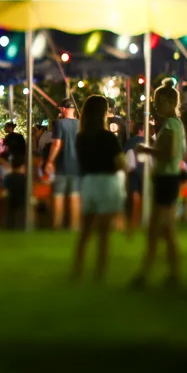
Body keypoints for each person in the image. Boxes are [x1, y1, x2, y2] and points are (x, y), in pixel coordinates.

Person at [132, 79, 186, 288]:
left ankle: (145, 274)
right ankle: (171, 273)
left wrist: (146, 150)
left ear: (169, 102)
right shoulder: (174, 124)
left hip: (166, 180)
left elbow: (168, 153)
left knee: (157, 230)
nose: (155, 107)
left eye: (158, 103)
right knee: (165, 230)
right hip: (167, 179)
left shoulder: (171, 124)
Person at [72, 95, 126, 281]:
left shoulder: (81, 137)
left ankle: (78, 269)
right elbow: (121, 163)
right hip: (107, 183)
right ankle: (99, 273)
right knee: (103, 233)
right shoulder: (108, 137)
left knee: (85, 231)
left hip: (88, 183)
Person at [46, 99, 82, 230]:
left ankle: (57, 225)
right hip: (77, 165)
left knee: (58, 194)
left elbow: (57, 144)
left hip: (62, 164)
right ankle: (74, 226)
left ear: (64, 109)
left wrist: (50, 160)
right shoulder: (81, 124)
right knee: (75, 195)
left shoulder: (59, 123)